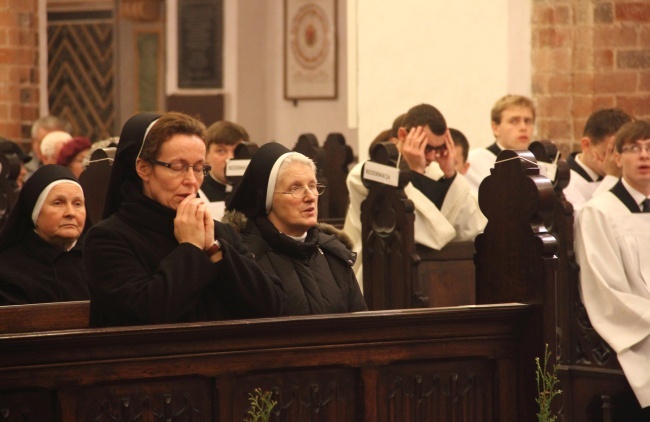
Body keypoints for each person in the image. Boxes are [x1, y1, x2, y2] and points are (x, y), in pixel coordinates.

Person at [83, 112, 285, 326]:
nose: (191, 181)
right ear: (143, 168)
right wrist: (190, 248)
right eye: (177, 167)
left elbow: (272, 306)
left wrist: (214, 251)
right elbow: (143, 316)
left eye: (199, 168)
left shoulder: (218, 233)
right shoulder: (107, 239)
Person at [343, 104, 486, 284]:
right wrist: (415, 172)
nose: (432, 157)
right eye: (426, 147)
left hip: (437, 276)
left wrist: (451, 176)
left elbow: (470, 231)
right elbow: (422, 234)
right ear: (403, 136)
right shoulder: (367, 173)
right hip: (381, 274)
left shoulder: (437, 173)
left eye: (439, 148)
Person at [224, 142, 367, 315]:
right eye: (296, 188)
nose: (310, 196)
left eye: (313, 186)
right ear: (268, 200)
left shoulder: (334, 254)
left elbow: (359, 325)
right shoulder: (247, 257)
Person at [575, 120, 650, 412]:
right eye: (633, 148)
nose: (644, 156)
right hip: (636, 330)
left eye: (649, 148)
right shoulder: (599, 212)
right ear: (617, 158)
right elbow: (605, 289)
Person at [0, 165, 88, 305]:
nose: (70, 213)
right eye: (58, 203)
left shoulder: (99, 259)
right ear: (35, 212)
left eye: (78, 204)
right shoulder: (8, 271)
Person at [563, 108, 633, 211]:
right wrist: (611, 176)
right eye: (609, 153)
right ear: (586, 145)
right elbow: (584, 221)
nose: (616, 162)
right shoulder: (565, 181)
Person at [465, 94, 536, 196]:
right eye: (514, 121)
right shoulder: (474, 162)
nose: (523, 127)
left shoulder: (538, 164)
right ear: (496, 128)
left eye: (528, 121)